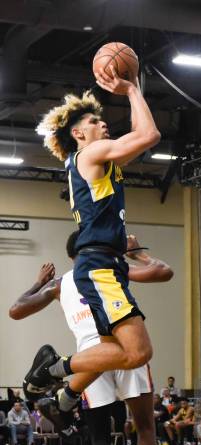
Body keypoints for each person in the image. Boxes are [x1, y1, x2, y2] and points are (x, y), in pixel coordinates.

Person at [9, 231, 172, 445]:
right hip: (123, 347)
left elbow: (16, 310)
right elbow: (163, 271)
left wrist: (40, 282)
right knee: (146, 429)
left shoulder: (61, 284)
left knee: (99, 436)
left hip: (91, 360)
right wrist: (136, 252)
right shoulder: (111, 268)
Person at [23, 64, 160, 414]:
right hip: (99, 264)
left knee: (117, 348)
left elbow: (139, 139)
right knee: (138, 353)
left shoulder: (95, 161)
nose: (102, 124)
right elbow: (149, 136)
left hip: (103, 264)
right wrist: (131, 90)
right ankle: (53, 369)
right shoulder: (90, 153)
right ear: (78, 133)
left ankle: (64, 397)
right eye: (94, 122)